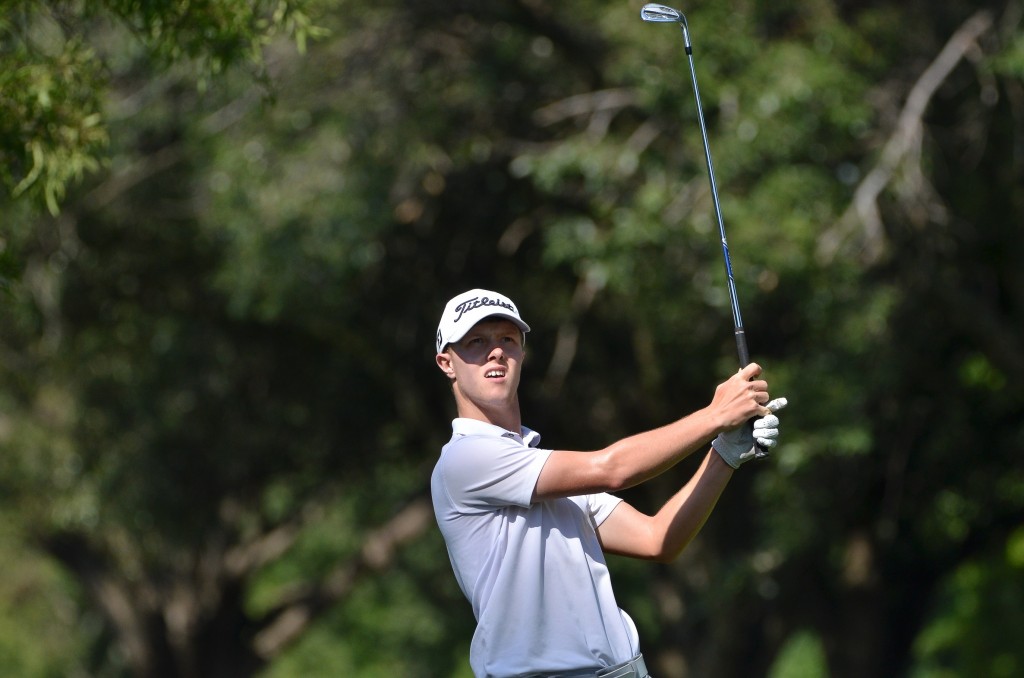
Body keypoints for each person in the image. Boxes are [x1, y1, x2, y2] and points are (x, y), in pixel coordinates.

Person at [430, 288, 786, 678]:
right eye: (476, 342)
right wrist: (714, 416)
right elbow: (612, 469)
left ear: (521, 354)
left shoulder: (543, 469)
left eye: (507, 340)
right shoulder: (465, 459)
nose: (495, 352)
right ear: (447, 363)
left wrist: (724, 455)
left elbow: (657, 539)